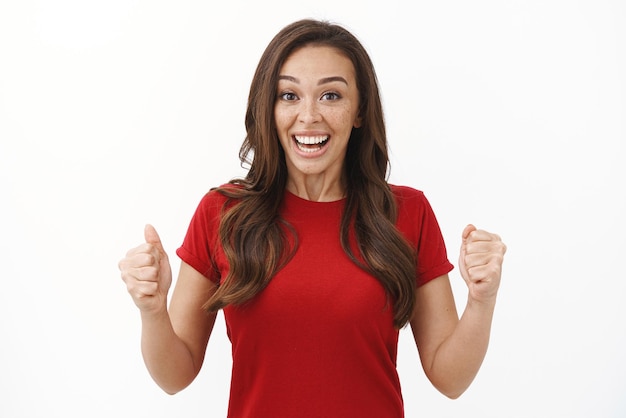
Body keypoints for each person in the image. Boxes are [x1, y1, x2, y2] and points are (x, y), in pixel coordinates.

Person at [118, 19, 507, 418]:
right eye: (289, 95)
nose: (308, 116)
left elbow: (450, 378)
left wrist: (481, 299)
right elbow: (174, 376)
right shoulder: (222, 214)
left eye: (331, 96)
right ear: (268, 108)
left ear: (359, 111)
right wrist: (152, 309)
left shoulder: (407, 213)